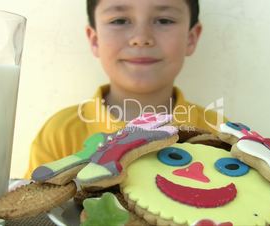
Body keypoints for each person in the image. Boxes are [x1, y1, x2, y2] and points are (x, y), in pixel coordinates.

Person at [24, 0, 221, 178]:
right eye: (119, 20)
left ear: (191, 38)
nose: (141, 38)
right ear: (95, 40)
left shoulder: (221, 135)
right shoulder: (60, 133)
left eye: (164, 20)